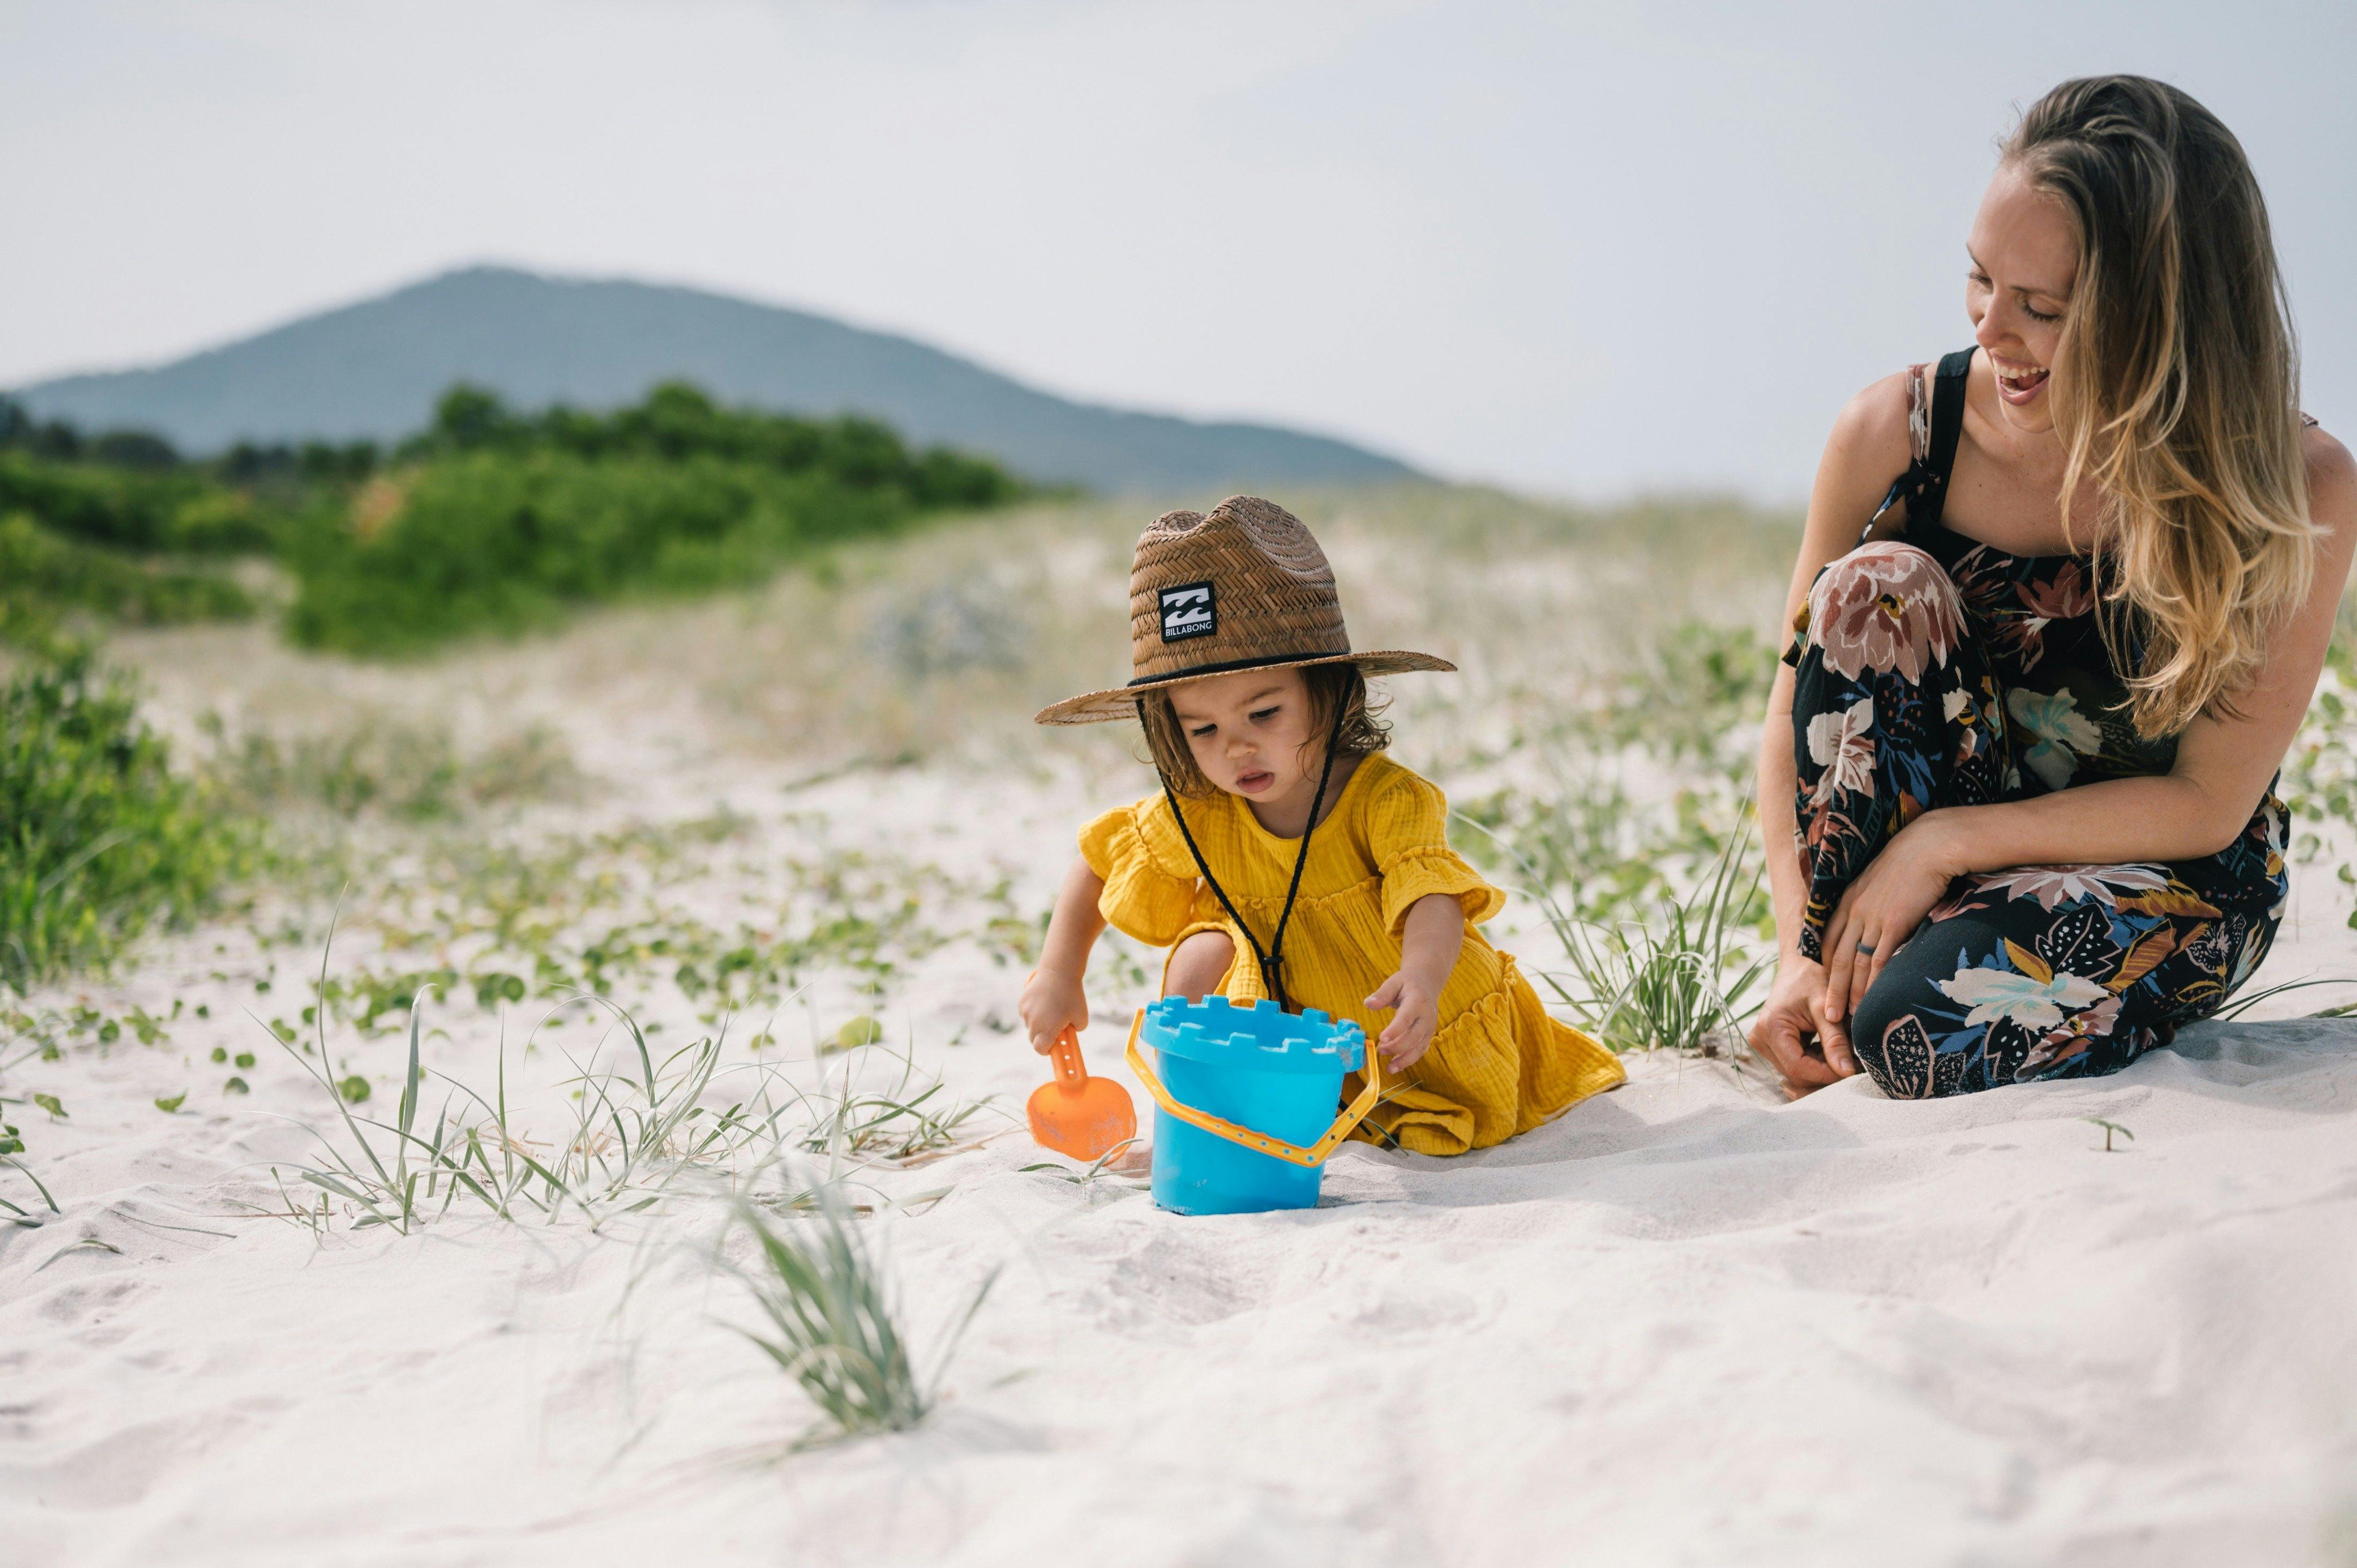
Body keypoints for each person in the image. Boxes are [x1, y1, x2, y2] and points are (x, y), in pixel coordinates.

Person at [1750, 75, 2356, 1099]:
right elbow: (1791, 717)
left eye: (2043, 307)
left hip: (2162, 870)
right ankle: (1842, 970)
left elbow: (2208, 802)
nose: (1992, 329)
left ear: (2166, 321)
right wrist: (1796, 953)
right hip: (1927, 861)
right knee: (1870, 588)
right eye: (1981, 279)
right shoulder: (1896, 434)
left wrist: (1946, 845)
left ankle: (1898, 975)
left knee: (1918, 1030)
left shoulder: (2295, 485)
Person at [1019, 495, 1624, 1155]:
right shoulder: (1202, 809)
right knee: (1199, 953)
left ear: (1326, 692)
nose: (1236, 749)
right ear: (1172, 730)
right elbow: (1099, 861)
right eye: (1204, 729)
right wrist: (1059, 973)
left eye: (1264, 713)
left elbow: (1432, 895)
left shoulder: (1382, 799)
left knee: (1418, 1076)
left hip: (1400, 1017)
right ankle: (1196, 1112)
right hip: (1288, 1021)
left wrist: (1422, 976)